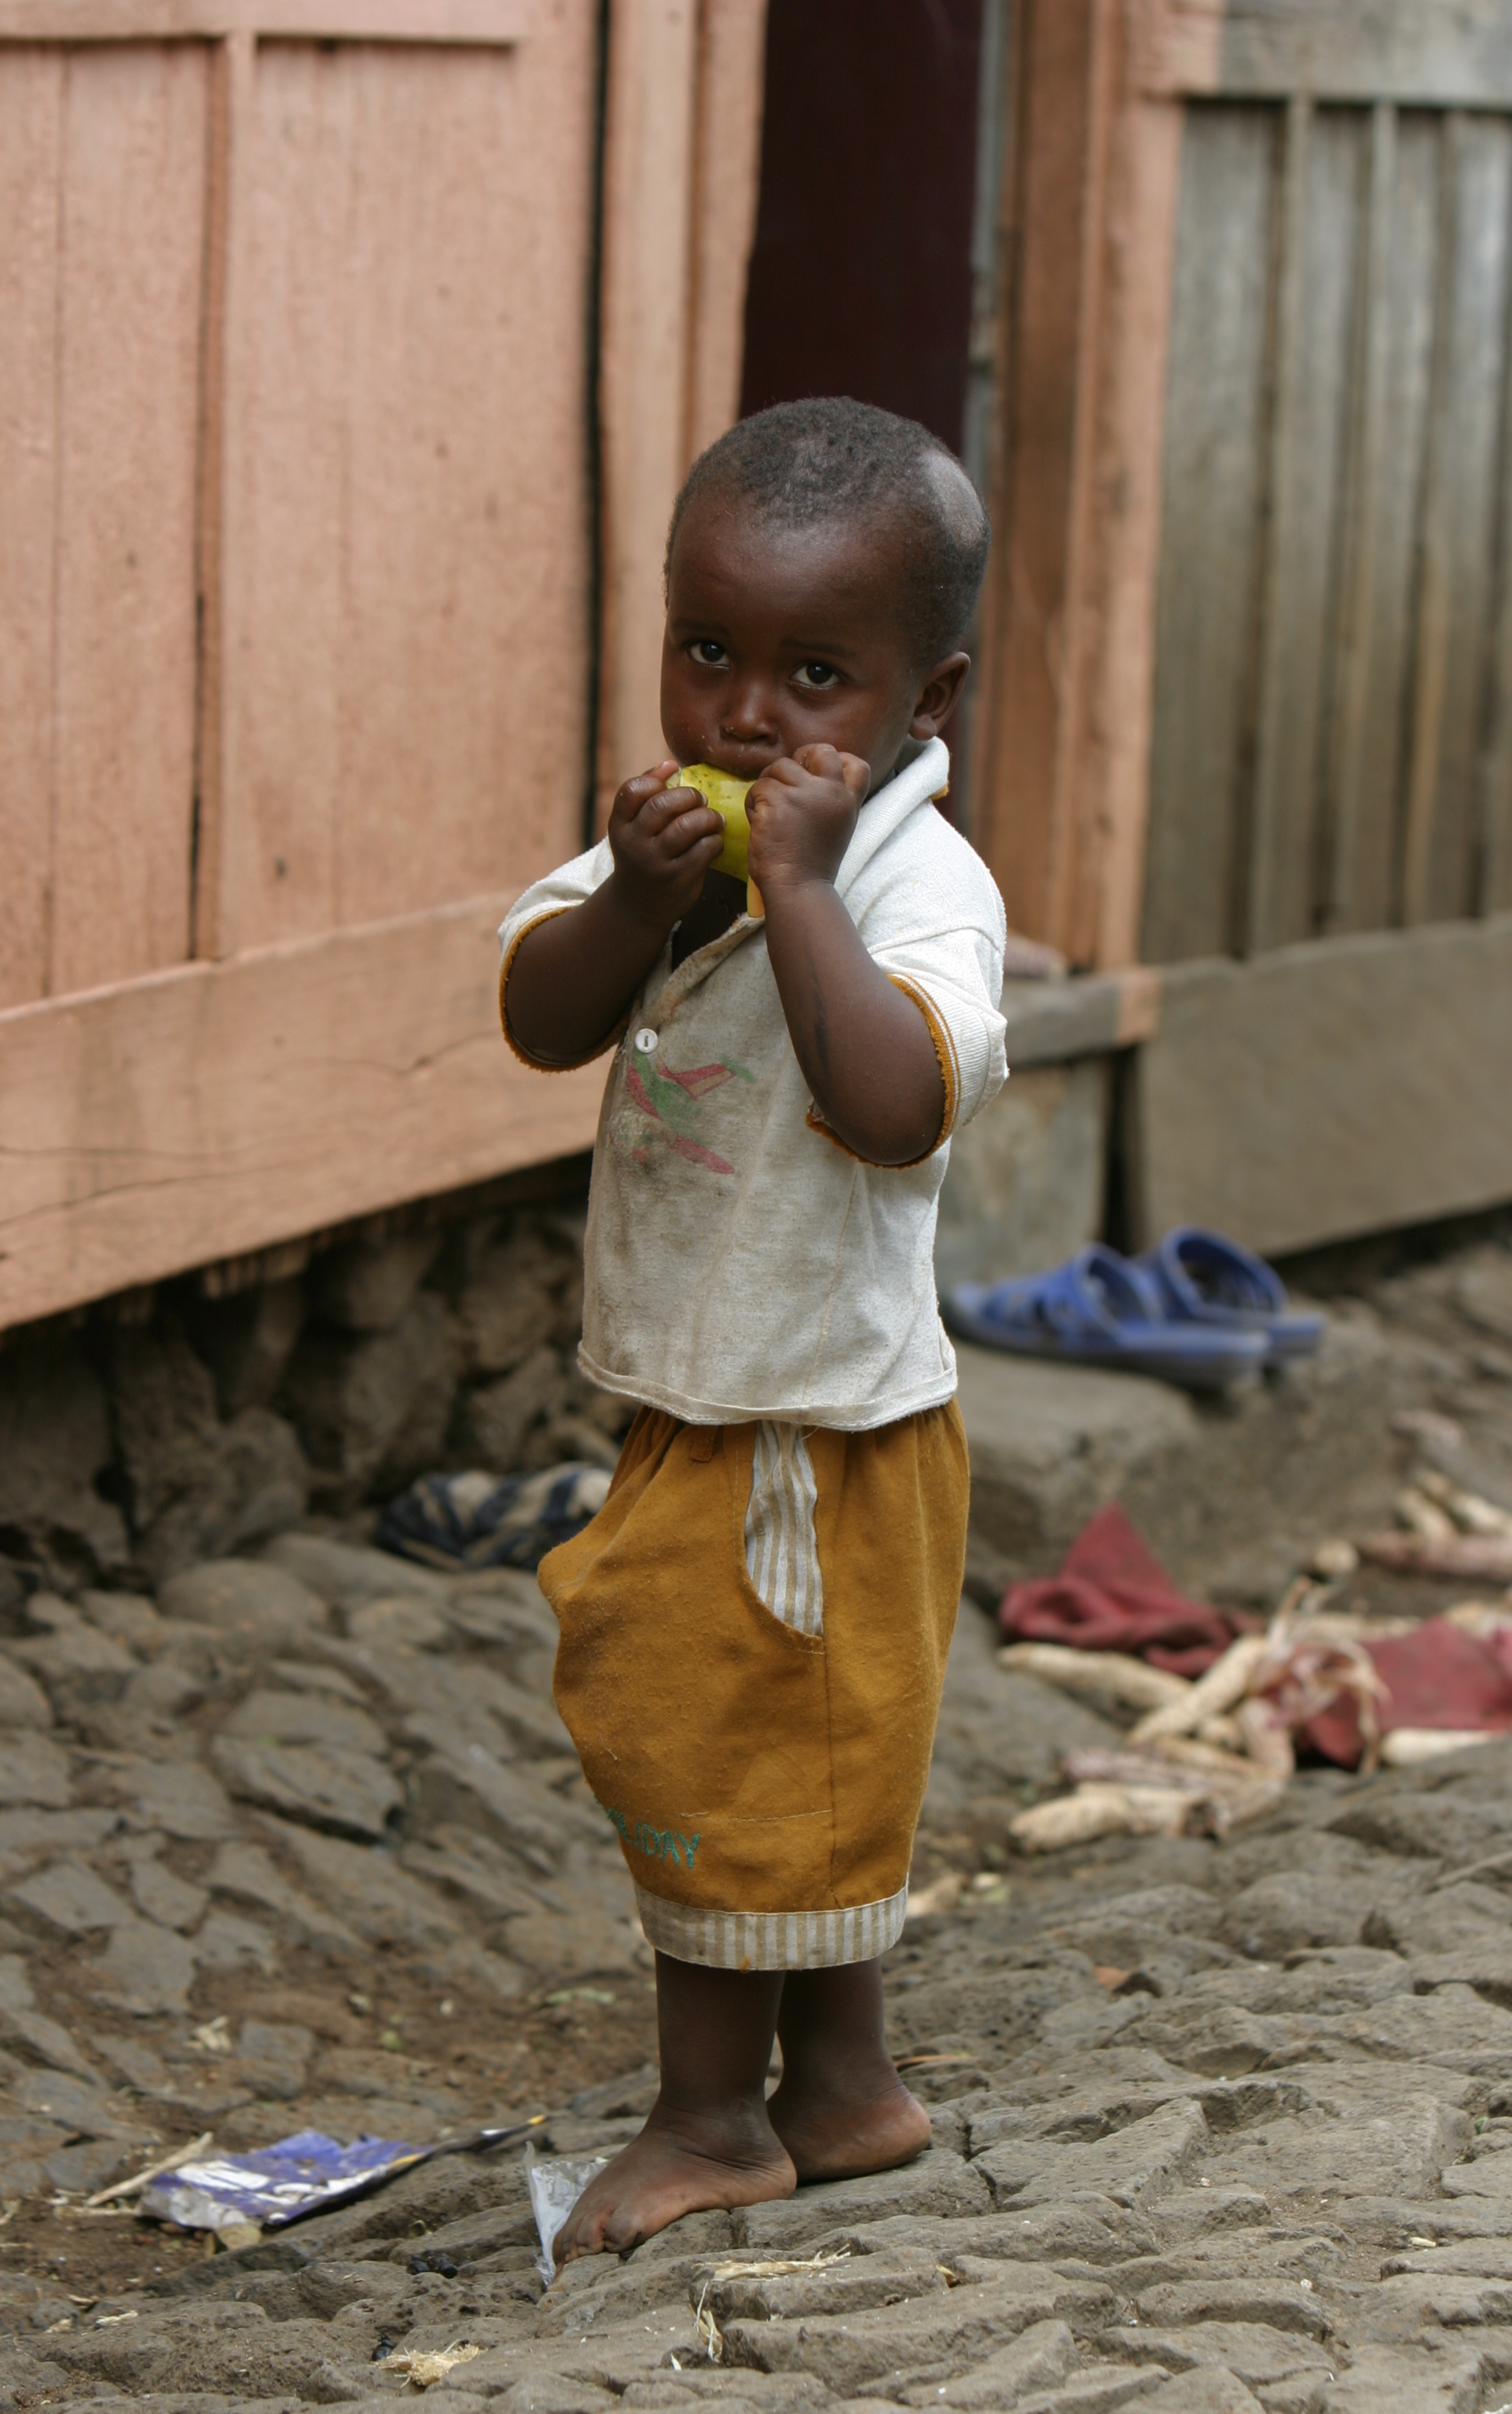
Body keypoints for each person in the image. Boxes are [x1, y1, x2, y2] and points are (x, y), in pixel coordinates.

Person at [500, 397, 1008, 2260]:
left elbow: (895, 1104)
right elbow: (543, 1022)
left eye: (817, 675)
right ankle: (847, 2089)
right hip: (703, 1387)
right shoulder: (661, 846)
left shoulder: (909, 884)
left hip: (813, 1416)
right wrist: (645, 892)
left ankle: (713, 2117)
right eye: (707, 653)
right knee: (788, 1749)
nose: (745, 719)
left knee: (721, 1747)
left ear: (924, 697)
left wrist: (794, 891)